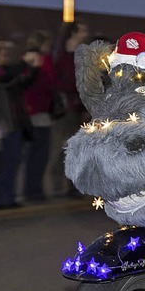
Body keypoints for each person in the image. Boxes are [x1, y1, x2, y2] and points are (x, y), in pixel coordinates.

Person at [0, 38, 40, 209]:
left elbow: (23, 84)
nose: (7, 55)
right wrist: (24, 64)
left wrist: (34, 70)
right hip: (1, 123)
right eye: (3, 51)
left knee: (14, 161)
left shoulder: (10, 70)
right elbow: (4, 80)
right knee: (3, 162)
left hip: (15, 123)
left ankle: (9, 196)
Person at [50, 21, 91, 198]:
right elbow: (64, 82)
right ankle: (58, 184)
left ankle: (72, 185)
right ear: (74, 32)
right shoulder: (63, 56)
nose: (86, 33)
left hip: (76, 107)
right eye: (83, 30)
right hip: (67, 107)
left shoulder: (77, 55)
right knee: (62, 146)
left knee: (75, 148)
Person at [23, 30, 56, 202]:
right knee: (38, 154)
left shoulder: (34, 59)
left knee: (37, 154)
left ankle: (34, 189)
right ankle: (33, 191)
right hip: (37, 110)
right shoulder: (38, 59)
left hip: (38, 110)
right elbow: (45, 83)